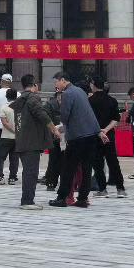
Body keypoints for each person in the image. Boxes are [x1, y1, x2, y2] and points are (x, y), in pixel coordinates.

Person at [48, 72, 99, 208]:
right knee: (86, 168)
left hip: (77, 136)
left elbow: (65, 116)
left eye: (56, 82)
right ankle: (82, 199)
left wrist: (60, 128)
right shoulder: (80, 91)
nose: (56, 85)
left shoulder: (67, 94)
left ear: (63, 80)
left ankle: (62, 198)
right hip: (90, 135)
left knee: (68, 168)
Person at [11, 75, 50, 209]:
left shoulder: (21, 99)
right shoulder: (32, 98)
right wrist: (53, 129)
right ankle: (27, 201)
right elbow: (42, 115)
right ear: (34, 85)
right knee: (31, 172)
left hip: (22, 140)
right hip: (32, 141)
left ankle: (26, 199)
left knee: (28, 171)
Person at [88, 76, 126, 198]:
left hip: (95, 135)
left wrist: (99, 131)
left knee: (98, 163)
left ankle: (102, 189)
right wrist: (106, 129)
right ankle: (120, 189)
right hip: (109, 135)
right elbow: (116, 118)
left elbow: (89, 119)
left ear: (93, 85)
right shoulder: (112, 100)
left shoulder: (89, 101)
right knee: (113, 162)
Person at [0, 74, 16, 184]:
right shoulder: (18, 94)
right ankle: (13, 177)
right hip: (16, 130)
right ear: (11, 82)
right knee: (14, 155)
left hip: (0, 127)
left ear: (1, 81)